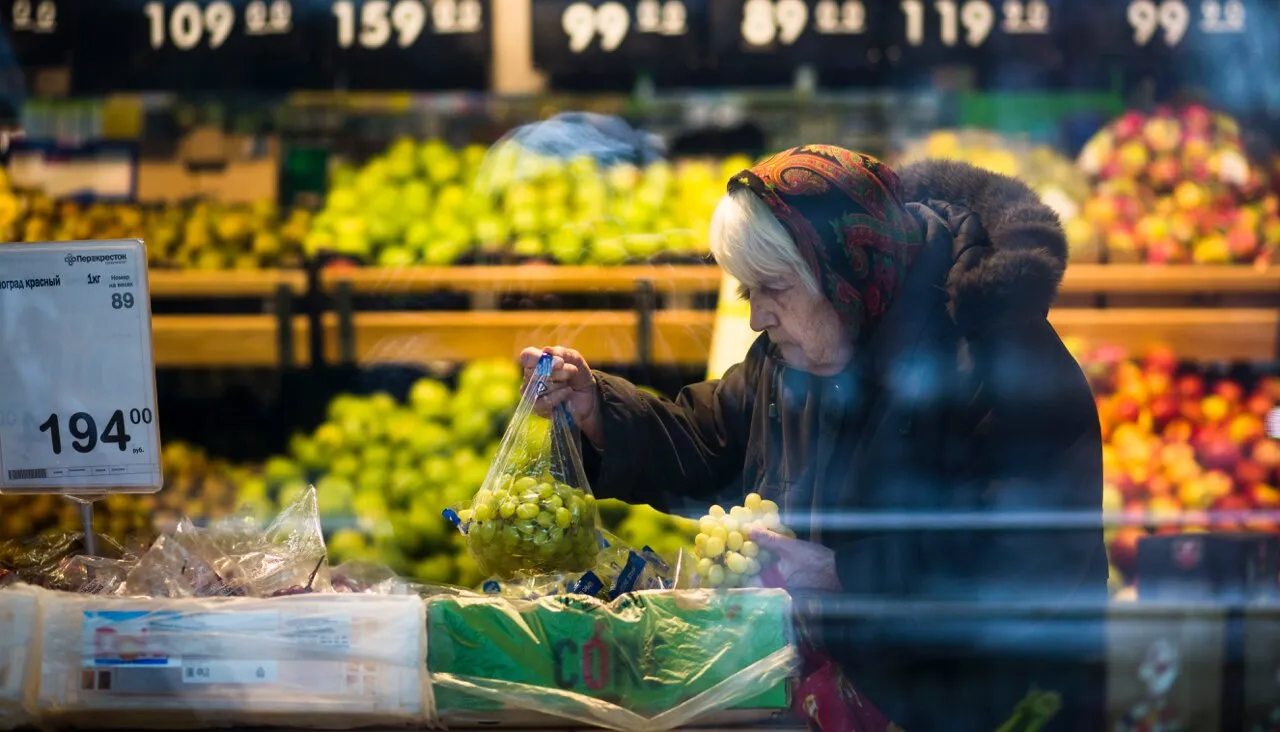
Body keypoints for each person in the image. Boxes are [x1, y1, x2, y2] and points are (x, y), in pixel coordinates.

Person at [520, 144, 1107, 731]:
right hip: (840, 700)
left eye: (773, 287)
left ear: (844, 272)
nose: (758, 318)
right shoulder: (794, 354)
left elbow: (1032, 561)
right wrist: (596, 408)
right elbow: (710, 436)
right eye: (748, 293)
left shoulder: (1001, 359)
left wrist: (845, 576)